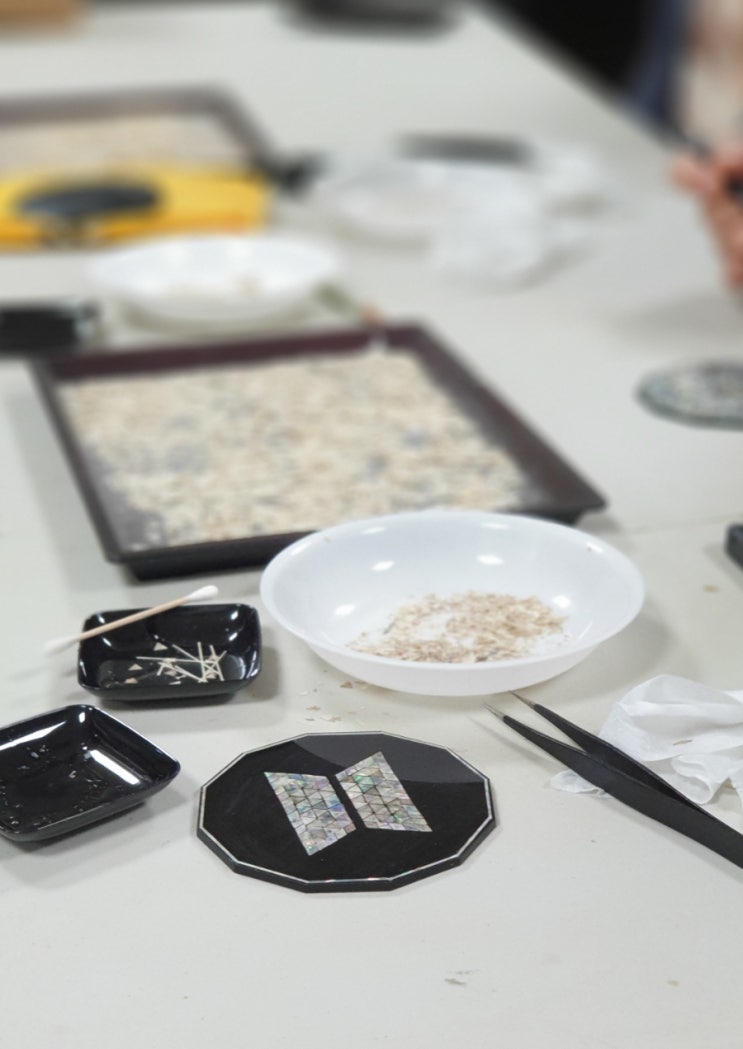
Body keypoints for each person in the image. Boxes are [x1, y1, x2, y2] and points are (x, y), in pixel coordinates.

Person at [672, 147, 743, 288]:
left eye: (699, 177)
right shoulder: (713, 208)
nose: (702, 185)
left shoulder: (729, 164)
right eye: (693, 185)